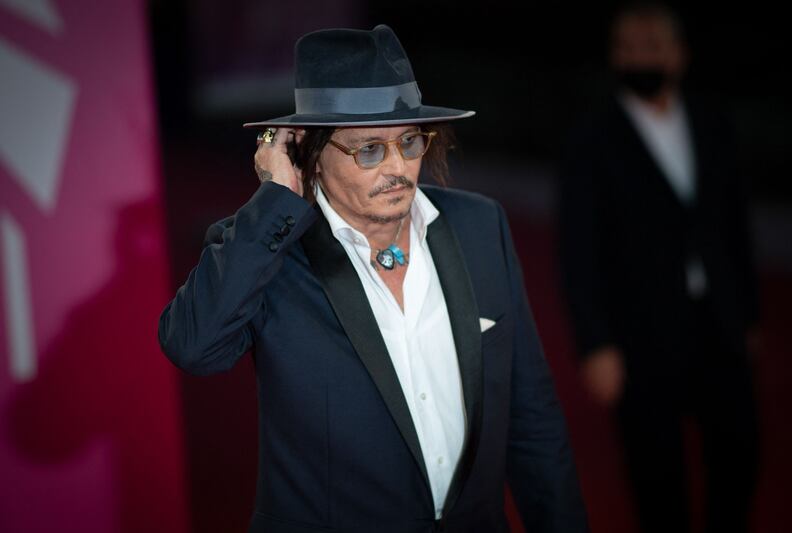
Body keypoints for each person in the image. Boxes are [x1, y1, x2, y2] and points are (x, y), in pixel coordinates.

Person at [158, 24, 588, 533]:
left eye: (409, 141)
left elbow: (531, 419)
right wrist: (277, 197)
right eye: (368, 150)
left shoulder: (479, 225)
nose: (399, 167)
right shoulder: (268, 251)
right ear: (309, 152)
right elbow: (192, 346)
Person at [557, 3, 760, 532]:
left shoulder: (713, 124)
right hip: (638, 334)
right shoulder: (592, 139)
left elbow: (735, 227)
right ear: (614, 56)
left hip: (718, 323)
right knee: (656, 479)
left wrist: (750, 315)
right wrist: (595, 344)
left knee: (739, 454)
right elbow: (577, 248)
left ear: (679, 54)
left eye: (652, 46)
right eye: (628, 47)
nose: (640, 56)